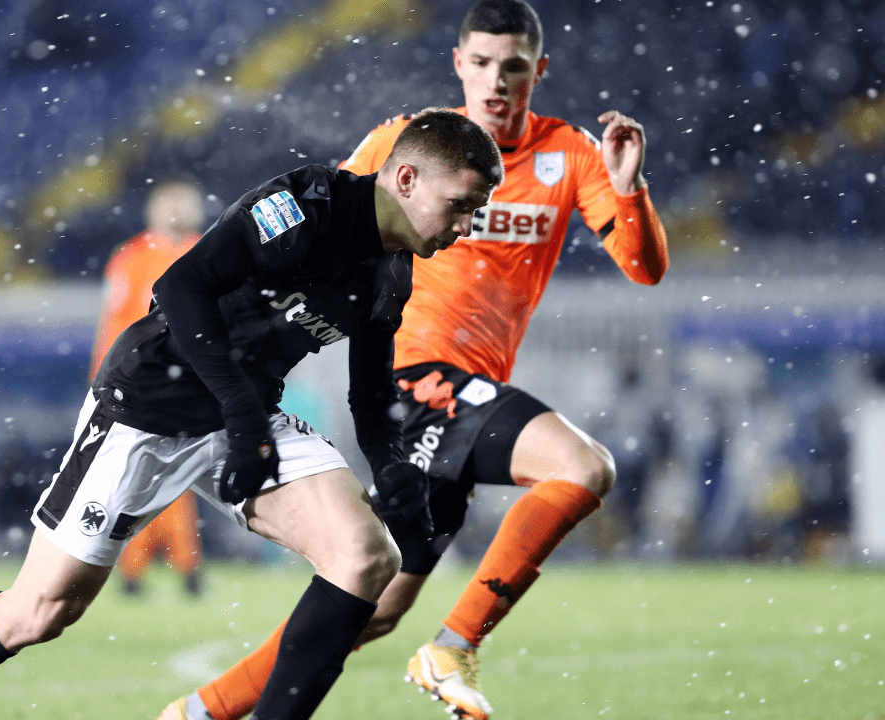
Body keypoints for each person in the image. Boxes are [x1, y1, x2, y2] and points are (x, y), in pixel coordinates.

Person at [0, 108, 503, 720]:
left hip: (244, 419)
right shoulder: (307, 205)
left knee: (364, 557)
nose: (465, 227)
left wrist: (395, 469)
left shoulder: (393, 275)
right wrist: (243, 416)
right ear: (407, 178)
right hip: (148, 406)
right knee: (39, 611)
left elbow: (370, 395)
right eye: (461, 205)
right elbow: (181, 287)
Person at [158, 2, 670, 720]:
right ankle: (455, 648)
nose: (496, 81)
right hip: (412, 374)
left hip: (472, 387)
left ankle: (197, 712)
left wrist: (629, 187)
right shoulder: (409, 144)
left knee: (369, 608)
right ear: (459, 63)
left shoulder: (571, 155)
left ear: (539, 70)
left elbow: (645, 268)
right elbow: (326, 228)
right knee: (582, 467)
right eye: (481, 63)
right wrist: (270, 335)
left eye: (514, 67)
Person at [90, 179, 208, 597]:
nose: (176, 212)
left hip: (190, 381)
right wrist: (104, 375)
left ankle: (182, 565)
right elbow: (114, 320)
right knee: (138, 474)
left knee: (178, 474)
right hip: (141, 380)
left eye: (182, 203)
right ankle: (137, 568)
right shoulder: (132, 257)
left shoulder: (207, 250)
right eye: (169, 204)